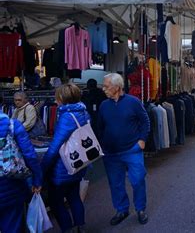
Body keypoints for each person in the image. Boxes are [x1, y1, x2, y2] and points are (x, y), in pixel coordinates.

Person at [98, 73, 150, 226]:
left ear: (117, 87)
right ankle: (122, 209)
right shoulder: (103, 105)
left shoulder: (133, 102)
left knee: (138, 180)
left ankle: (140, 209)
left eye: (106, 86)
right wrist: (102, 144)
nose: (103, 89)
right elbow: (99, 127)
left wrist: (142, 140)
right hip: (111, 153)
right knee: (115, 183)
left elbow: (145, 121)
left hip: (132, 150)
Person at [41, 84, 89, 233]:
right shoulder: (83, 112)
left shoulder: (67, 117)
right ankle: (80, 227)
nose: (55, 100)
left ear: (62, 98)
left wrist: (42, 169)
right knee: (73, 196)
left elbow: (55, 147)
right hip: (78, 162)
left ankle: (68, 229)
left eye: (57, 97)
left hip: (63, 167)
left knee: (56, 202)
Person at [0, 111, 42, 233]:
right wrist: (37, 179)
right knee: (12, 225)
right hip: (10, 185)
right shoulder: (12, 125)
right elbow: (30, 155)